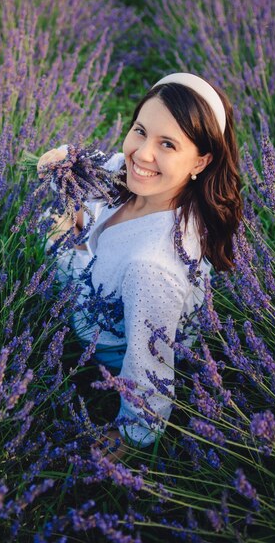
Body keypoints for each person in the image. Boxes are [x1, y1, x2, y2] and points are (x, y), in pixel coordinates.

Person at [37, 72, 242, 458]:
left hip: (109, 343)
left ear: (201, 160)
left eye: (167, 144)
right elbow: (94, 162)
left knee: (48, 233)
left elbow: (149, 364)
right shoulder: (142, 181)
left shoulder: (153, 267)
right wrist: (63, 165)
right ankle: (78, 238)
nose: (142, 154)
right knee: (56, 220)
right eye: (140, 131)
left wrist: (133, 433)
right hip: (108, 288)